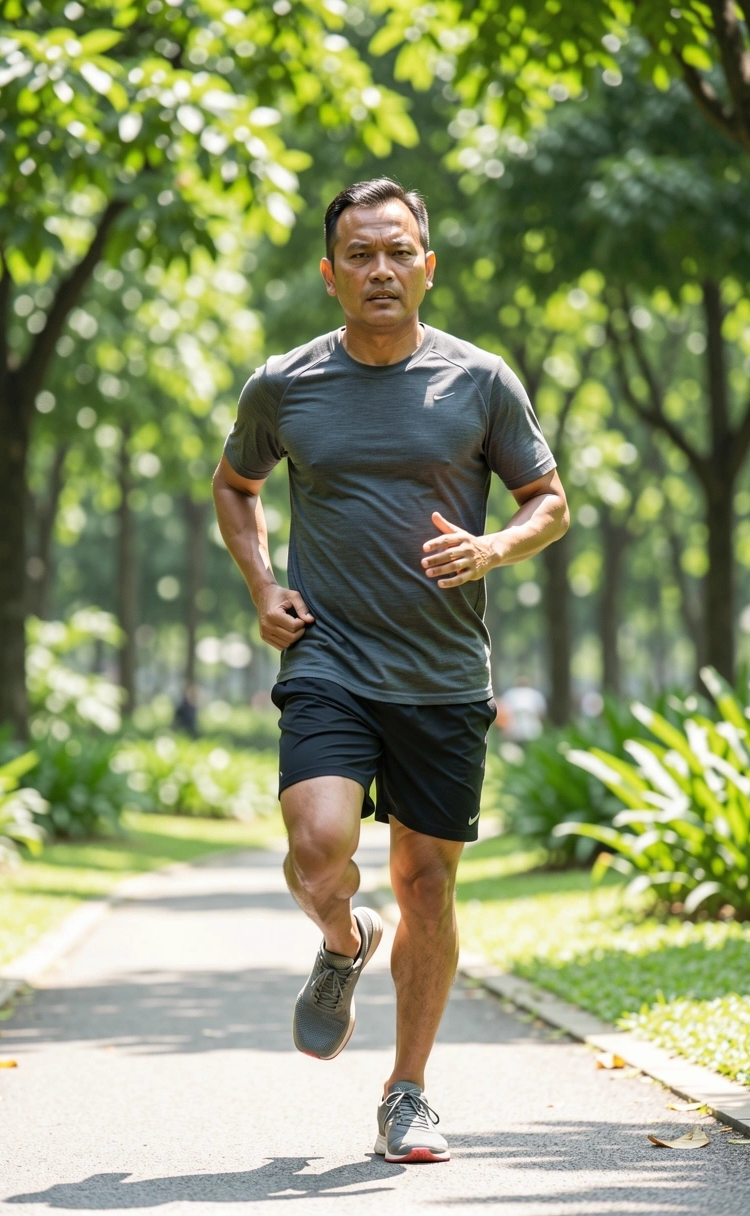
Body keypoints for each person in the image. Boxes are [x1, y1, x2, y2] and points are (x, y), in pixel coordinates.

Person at [212, 178, 568, 1164]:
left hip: (446, 672)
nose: (381, 269)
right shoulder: (283, 385)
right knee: (320, 845)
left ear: (427, 263)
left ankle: (407, 1090)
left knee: (427, 883)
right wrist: (261, 582)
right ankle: (340, 939)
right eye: (360, 255)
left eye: (398, 250)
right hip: (328, 653)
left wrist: (497, 547)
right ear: (330, 274)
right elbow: (235, 486)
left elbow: (549, 499)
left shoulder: (480, 380)